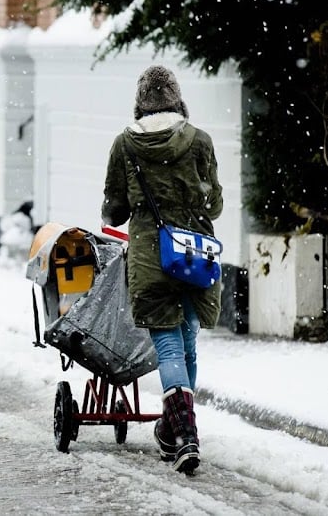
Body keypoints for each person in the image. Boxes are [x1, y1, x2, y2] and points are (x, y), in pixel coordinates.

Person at [100, 65, 223, 474]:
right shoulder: (200, 141)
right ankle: (175, 433)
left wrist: (128, 205)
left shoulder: (125, 144)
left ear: (140, 103)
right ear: (177, 100)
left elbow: (114, 208)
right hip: (193, 255)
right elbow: (215, 205)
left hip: (151, 258)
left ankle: (182, 434)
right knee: (187, 345)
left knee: (169, 348)